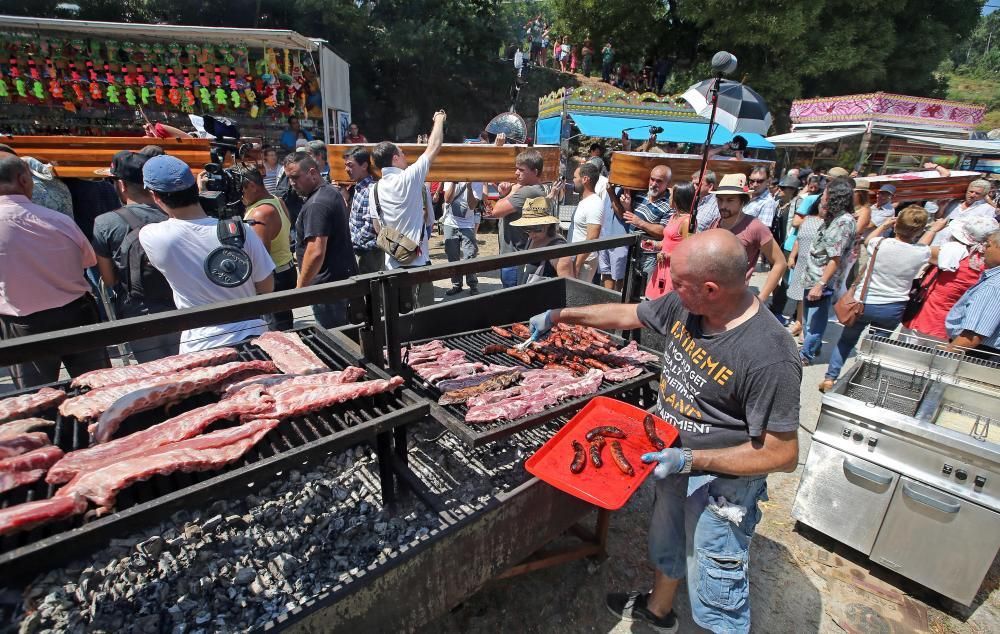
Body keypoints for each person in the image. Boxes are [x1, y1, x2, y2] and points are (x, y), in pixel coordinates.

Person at [527, 229, 800, 634]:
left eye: (678, 284)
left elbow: (783, 454)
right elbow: (631, 314)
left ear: (710, 288)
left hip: (721, 482)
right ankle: (659, 611)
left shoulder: (769, 355)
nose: (669, 291)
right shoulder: (689, 305)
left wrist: (694, 459)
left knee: (716, 577)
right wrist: (559, 315)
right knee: (667, 540)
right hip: (670, 453)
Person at [138, 155, 274, 352]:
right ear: (194, 187)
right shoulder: (240, 230)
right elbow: (266, 286)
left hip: (200, 343)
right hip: (252, 336)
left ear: (156, 196)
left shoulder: (153, 236)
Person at [0, 152, 110, 388]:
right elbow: (88, 261)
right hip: (78, 315)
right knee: (97, 390)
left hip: (22, 326)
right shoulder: (59, 220)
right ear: (23, 180)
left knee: (36, 399)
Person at [820, 206, 931, 391]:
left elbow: (868, 239)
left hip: (863, 302)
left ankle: (830, 378)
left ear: (897, 226)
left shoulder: (878, 244)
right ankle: (859, 383)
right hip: (892, 307)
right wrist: (932, 230)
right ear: (919, 230)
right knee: (875, 349)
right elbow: (926, 245)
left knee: (847, 341)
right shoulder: (922, 252)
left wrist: (885, 224)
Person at [91, 151, 179, 361]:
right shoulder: (175, 214)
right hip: (181, 307)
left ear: (121, 185)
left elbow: (110, 279)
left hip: (139, 314)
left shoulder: (105, 223)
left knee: (156, 381)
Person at [370, 110, 447, 305]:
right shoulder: (409, 178)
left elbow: (377, 227)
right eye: (402, 153)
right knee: (423, 318)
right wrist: (439, 119)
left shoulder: (374, 189)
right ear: (395, 158)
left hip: (391, 264)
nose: (405, 156)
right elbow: (434, 146)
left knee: (397, 320)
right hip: (417, 264)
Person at [283, 154, 358, 327]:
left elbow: (315, 251)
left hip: (328, 289)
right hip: (339, 283)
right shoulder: (330, 191)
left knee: (337, 342)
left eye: (295, 177)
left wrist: (301, 289)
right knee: (347, 337)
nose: (292, 183)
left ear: (312, 173)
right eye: (289, 178)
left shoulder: (317, 204)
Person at [904, 216, 999, 342]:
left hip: (927, 318)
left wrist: (932, 230)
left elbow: (915, 250)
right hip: (955, 328)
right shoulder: (991, 264)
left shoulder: (952, 253)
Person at [799, 178, 858, 366]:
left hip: (822, 281)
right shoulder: (833, 218)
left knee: (814, 321)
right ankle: (813, 348)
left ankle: (806, 355)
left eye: (825, 193)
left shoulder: (844, 222)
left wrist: (821, 284)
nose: (822, 196)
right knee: (808, 318)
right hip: (812, 276)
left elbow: (835, 258)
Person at [708, 174, 787, 303]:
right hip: (709, 295)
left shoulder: (754, 227)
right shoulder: (715, 223)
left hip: (734, 300)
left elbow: (780, 263)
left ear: (742, 201)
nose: (723, 205)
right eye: (720, 200)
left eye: (730, 200)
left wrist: (762, 298)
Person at [237, 165, 297, 331]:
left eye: (240, 190)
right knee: (284, 326)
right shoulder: (278, 201)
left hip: (273, 279)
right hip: (285, 271)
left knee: (275, 333)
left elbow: (259, 259)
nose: (238, 195)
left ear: (251, 186)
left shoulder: (260, 213)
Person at [489, 144, 548, 288]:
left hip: (515, 260)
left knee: (513, 304)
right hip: (518, 258)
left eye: (521, 170)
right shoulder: (536, 190)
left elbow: (496, 211)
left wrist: (510, 192)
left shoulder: (528, 192)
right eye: (516, 169)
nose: (516, 173)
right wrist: (507, 193)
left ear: (534, 171)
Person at [611, 165, 673, 278]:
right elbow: (630, 219)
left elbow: (663, 231)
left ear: (668, 183)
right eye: (652, 179)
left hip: (650, 257)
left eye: (659, 181)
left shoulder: (669, 204)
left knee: (645, 291)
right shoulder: (641, 195)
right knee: (629, 288)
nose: (654, 184)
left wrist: (640, 223)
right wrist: (628, 207)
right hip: (632, 252)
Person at [945, 230, 1000, 356]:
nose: (983, 250)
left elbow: (973, 335)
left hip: (977, 353)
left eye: (988, 245)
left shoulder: (994, 286)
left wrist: (942, 357)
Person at [644, 182, 695, 300]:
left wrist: (667, 255)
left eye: (671, 195)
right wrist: (654, 245)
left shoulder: (687, 221)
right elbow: (666, 242)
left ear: (678, 198)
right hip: (662, 267)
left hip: (673, 270)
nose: (669, 198)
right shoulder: (674, 216)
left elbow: (688, 252)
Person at [784, 205, 826, 340]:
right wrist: (791, 256)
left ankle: (804, 327)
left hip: (816, 264)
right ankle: (798, 323)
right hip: (801, 261)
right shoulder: (807, 220)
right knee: (799, 295)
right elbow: (798, 239)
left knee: (808, 296)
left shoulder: (831, 224)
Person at [512, 197, 573, 283]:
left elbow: (569, 287)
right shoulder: (532, 239)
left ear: (548, 224)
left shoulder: (558, 250)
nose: (532, 233)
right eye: (527, 228)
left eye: (537, 228)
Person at [343, 146, 382, 274]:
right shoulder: (358, 187)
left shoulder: (369, 190)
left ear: (364, 166)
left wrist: (351, 242)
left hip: (367, 253)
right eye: (345, 165)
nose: (346, 169)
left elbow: (369, 227)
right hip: (359, 249)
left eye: (350, 165)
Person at [442, 181, 483, 296]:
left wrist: (469, 188)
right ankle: (456, 284)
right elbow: (447, 199)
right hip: (450, 223)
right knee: (452, 256)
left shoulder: (477, 182)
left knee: (469, 256)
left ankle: (473, 285)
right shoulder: (450, 179)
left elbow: (472, 206)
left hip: (468, 225)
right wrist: (454, 183)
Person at [931, 179, 995, 246]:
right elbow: (938, 219)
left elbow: (984, 232)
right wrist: (942, 207)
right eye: (971, 191)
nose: (972, 195)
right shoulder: (954, 203)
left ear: (983, 195)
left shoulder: (987, 209)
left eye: (977, 193)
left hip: (958, 246)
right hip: (937, 240)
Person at [568, 162, 603, 283]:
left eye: (575, 177)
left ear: (585, 179)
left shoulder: (594, 203)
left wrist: (578, 264)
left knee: (579, 300)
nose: (573, 180)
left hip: (584, 262)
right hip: (576, 259)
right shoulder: (585, 201)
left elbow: (592, 237)